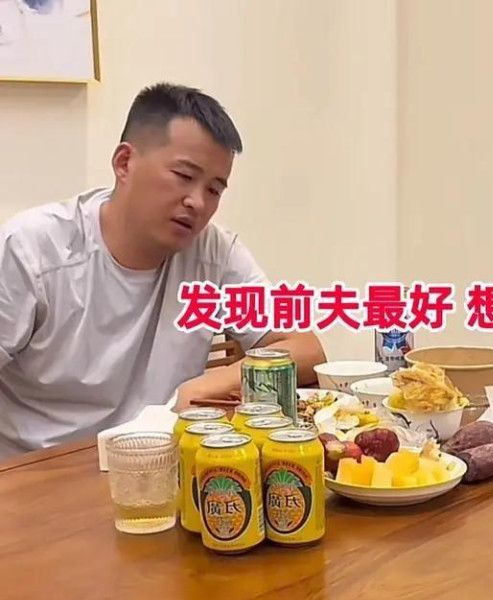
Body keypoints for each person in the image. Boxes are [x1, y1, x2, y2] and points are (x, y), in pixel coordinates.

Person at [0, 83, 325, 460]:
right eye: (184, 176)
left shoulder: (214, 252)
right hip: (39, 471)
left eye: (214, 190)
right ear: (124, 163)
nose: (197, 202)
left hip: (161, 463)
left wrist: (207, 384)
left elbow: (308, 350)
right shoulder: (33, 250)